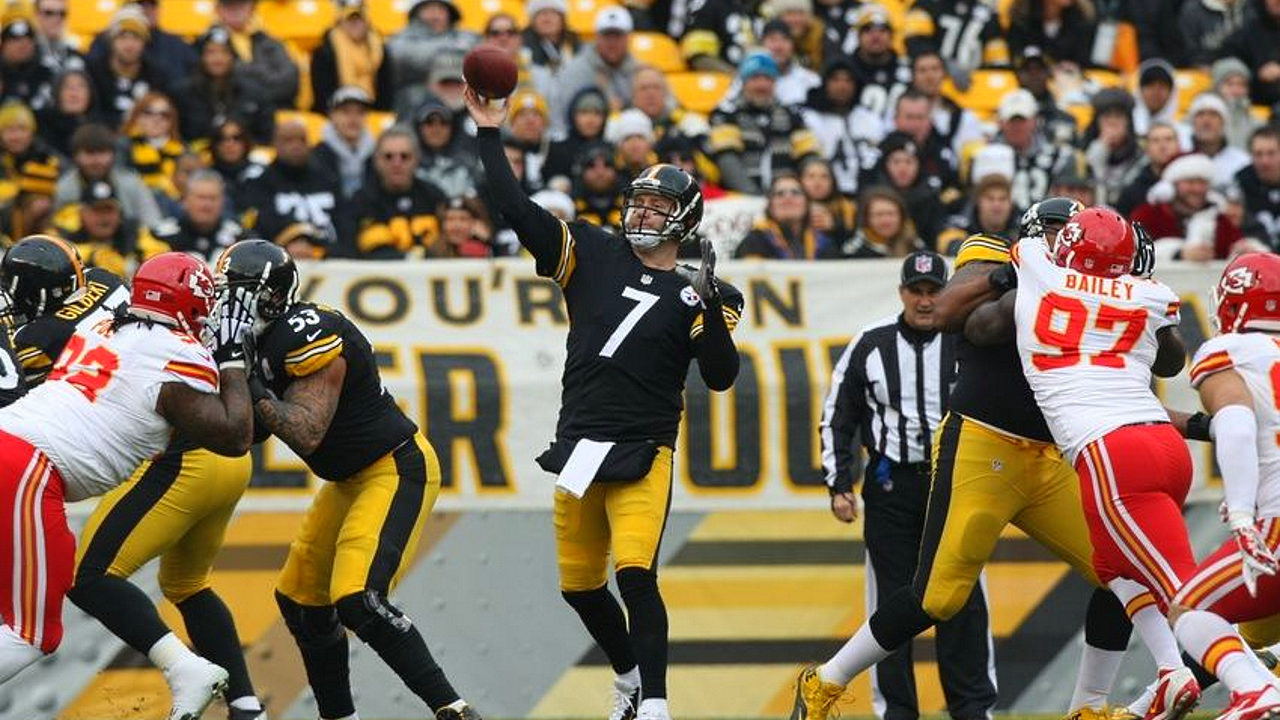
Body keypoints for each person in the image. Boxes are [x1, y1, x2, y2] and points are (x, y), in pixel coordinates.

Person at [790, 198, 1193, 720]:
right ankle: (825, 680)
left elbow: (1170, 356)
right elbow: (965, 321)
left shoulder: (1095, 289)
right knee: (939, 597)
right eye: (1054, 234)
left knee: (1122, 572)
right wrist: (1024, 275)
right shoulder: (1001, 256)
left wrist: (1127, 285)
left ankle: (1087, 708)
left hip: (1051, 456)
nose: (1064, 245)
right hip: (985, 442)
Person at [468, 85, 743, 720]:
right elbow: (513, 205)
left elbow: (722, 377)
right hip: (580, 443)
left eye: (657, 204)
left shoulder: (706, 291)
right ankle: (627, 679)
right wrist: (489, 132)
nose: (643, 213)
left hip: (644, 448)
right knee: (578, 588)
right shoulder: (591, 251)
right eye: (638, 202)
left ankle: (657, 705)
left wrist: (708, 308)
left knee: (635, 574)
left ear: (686, 217)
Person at [984, 207, 1280, 717]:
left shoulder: (1037, 261)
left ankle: (1251, 684)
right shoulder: (1152, 296)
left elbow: (1030, 246)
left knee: (1187, 599)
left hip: (1110, 454)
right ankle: (1141, 685)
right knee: (1112, 564)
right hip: (1162, 444)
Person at [221, 239, 481, 720]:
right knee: (300, 601)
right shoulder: (258, 341)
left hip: (394, 466)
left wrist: (247, 380)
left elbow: (307, 432)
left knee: (359, 599)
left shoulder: (304, 332)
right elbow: (251, 434)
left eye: (241, 293)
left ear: (274, 296)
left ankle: (455, 710)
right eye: (226, 292)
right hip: (347, 479)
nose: (229, 305)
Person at [0, 248, 255, 720]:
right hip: (27, 465)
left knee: (58, 579)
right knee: (32, 632)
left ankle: (184, 668)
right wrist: (232, 359)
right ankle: (195, 674)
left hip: (17, 452)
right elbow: (235, 435)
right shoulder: (179, 355)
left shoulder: (103, 328)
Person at [820, 250, 996, 720]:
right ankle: (896, 711)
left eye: (934, 291)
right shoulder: (871, 342)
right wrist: (839, 482)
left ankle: (973, 708)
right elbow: (838, 414)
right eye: (916, 291)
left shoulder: (968, 336)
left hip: (954, 483)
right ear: (902, 292)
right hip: (891, 486)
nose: (924, 301)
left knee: (961, 598)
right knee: (891, 603)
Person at [1174, 253, 1280, 712]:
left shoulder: (1229, 350)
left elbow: (1235, 424)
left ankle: (1257, 691)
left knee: (1189, 610)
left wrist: (1241, 510)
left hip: (1275, 522)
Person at [349, 125, 446, 258]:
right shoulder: (361, 201)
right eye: (388, 157)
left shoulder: (434, 196)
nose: (396, 163)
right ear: (376, 161)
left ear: (416, 160)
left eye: (404, 156)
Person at [175, 27, 274, 147]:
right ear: (201, 57)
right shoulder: (181, 93)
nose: (218, 59)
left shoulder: (254, 92)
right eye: (211, 52)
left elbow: (266, 136)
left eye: (224, 52)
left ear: (233, 57)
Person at [210, 0, 298, 110]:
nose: (236, 10)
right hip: (228, 113)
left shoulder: (270, 42)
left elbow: (289, 83)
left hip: (272, 109)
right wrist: (262, 73)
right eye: (228, 5)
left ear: (252, 8)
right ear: (218, 9)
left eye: (241, 5)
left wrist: (244, 72)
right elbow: (211, 85)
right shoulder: (206, 44)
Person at [311, 0, 393, 114]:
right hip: (336, 110)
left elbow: (386, 89)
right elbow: (322, 93)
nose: (355, 24)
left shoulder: (380, 48)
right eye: (350, 20)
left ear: (367, 22)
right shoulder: (324, 51)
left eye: (359, 19)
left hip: (373, 109)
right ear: (340, 22)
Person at [147, 170, 244, 262]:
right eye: (201, 198)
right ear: (185, 200)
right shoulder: (161, 236)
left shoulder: (239, 238)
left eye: (213, 198)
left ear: (223, 202)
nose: (206, 205)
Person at [735, 173, 836, 260]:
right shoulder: (754, 242)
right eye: (779, 194)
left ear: (807, 204)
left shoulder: (823, 244)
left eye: (795, 193)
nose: (788, 198)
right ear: (770, 206)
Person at [312, 86, 377, 199]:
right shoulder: (316, 156)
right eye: (345, 112)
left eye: (360, 112)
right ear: (332, 116)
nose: (353, 118)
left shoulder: (378, 154)